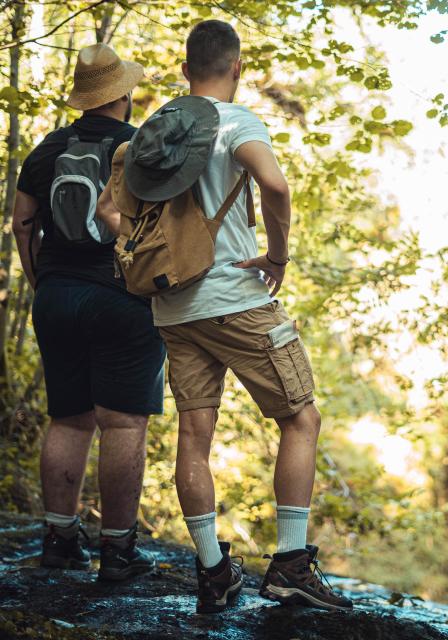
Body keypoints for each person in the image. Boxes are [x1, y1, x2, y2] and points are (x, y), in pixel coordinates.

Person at [97, 20, 352, 612]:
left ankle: (214, 572)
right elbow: (276, 185)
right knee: (301, 419)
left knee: (194, 438)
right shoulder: (237, 122)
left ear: (185, 70)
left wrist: (153, 253)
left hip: (172, 309)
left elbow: (109, 209)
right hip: (237, 299)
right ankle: (289, 563)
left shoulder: (149, 136)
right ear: (237, 68)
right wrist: (277, 257)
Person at [12, 44, 166, 581]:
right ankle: (118, 552)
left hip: (56, 294)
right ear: (122, 94)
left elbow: (21, 224)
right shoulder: (140, 146)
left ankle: (58, 540)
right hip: (122, 296)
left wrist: (43, 282)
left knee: (69, 420)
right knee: (122, 420)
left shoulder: (46, 148)